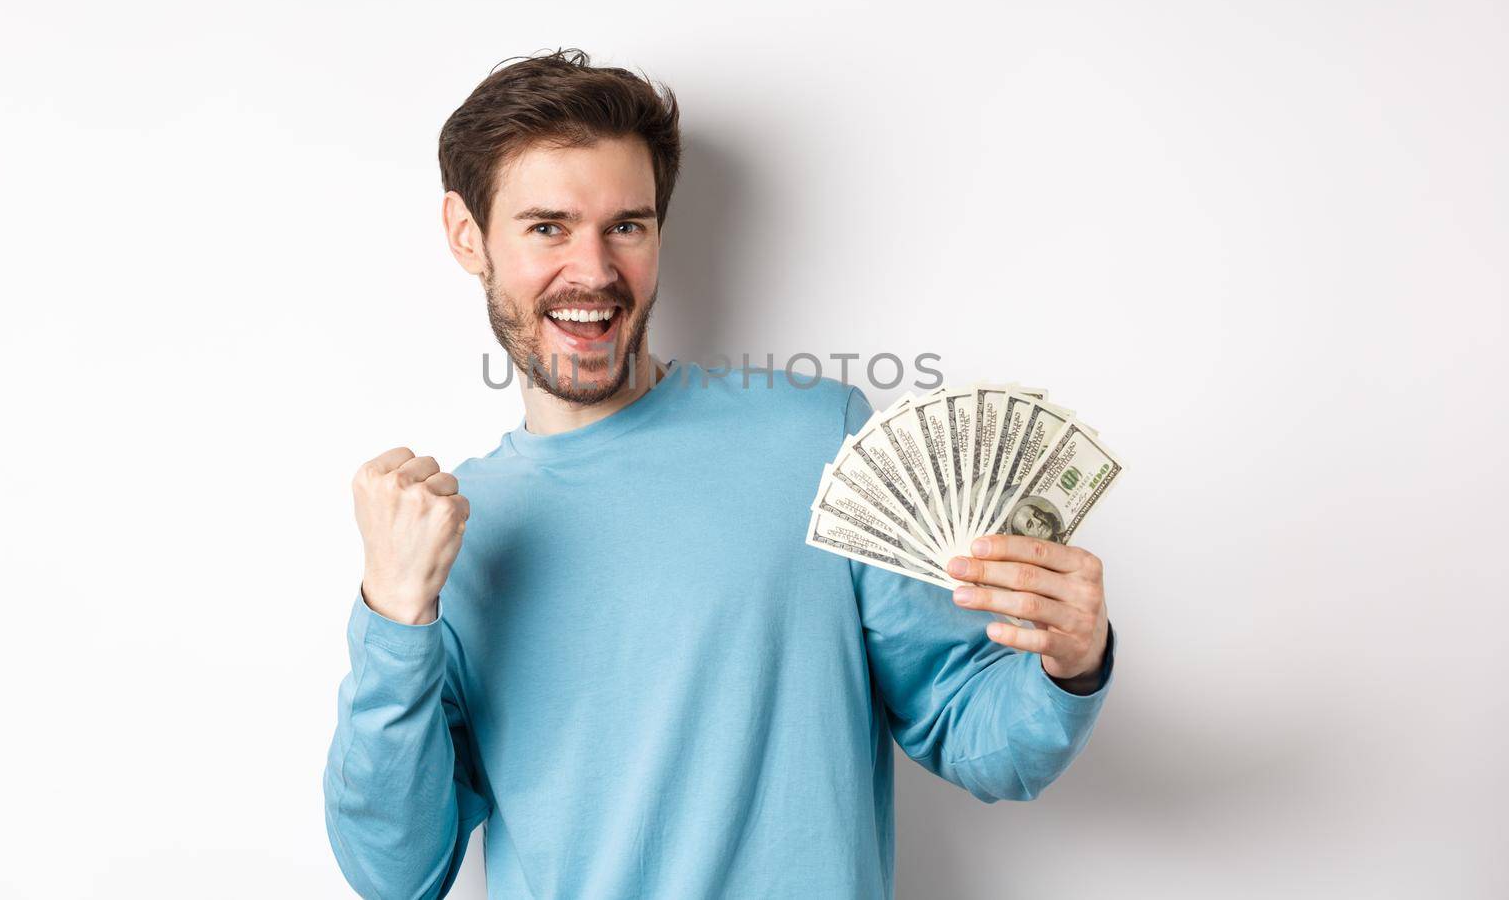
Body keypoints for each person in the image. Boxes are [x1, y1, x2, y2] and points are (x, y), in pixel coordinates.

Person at [322, 49, 1117, 899]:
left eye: (626, 225)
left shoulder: (821, 439)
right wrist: (394, 616)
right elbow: (397, 872)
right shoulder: (449, 538)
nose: (593, 271)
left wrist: (1067, 665)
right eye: (547, 226)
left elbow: (973, 732)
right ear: (466, 235)